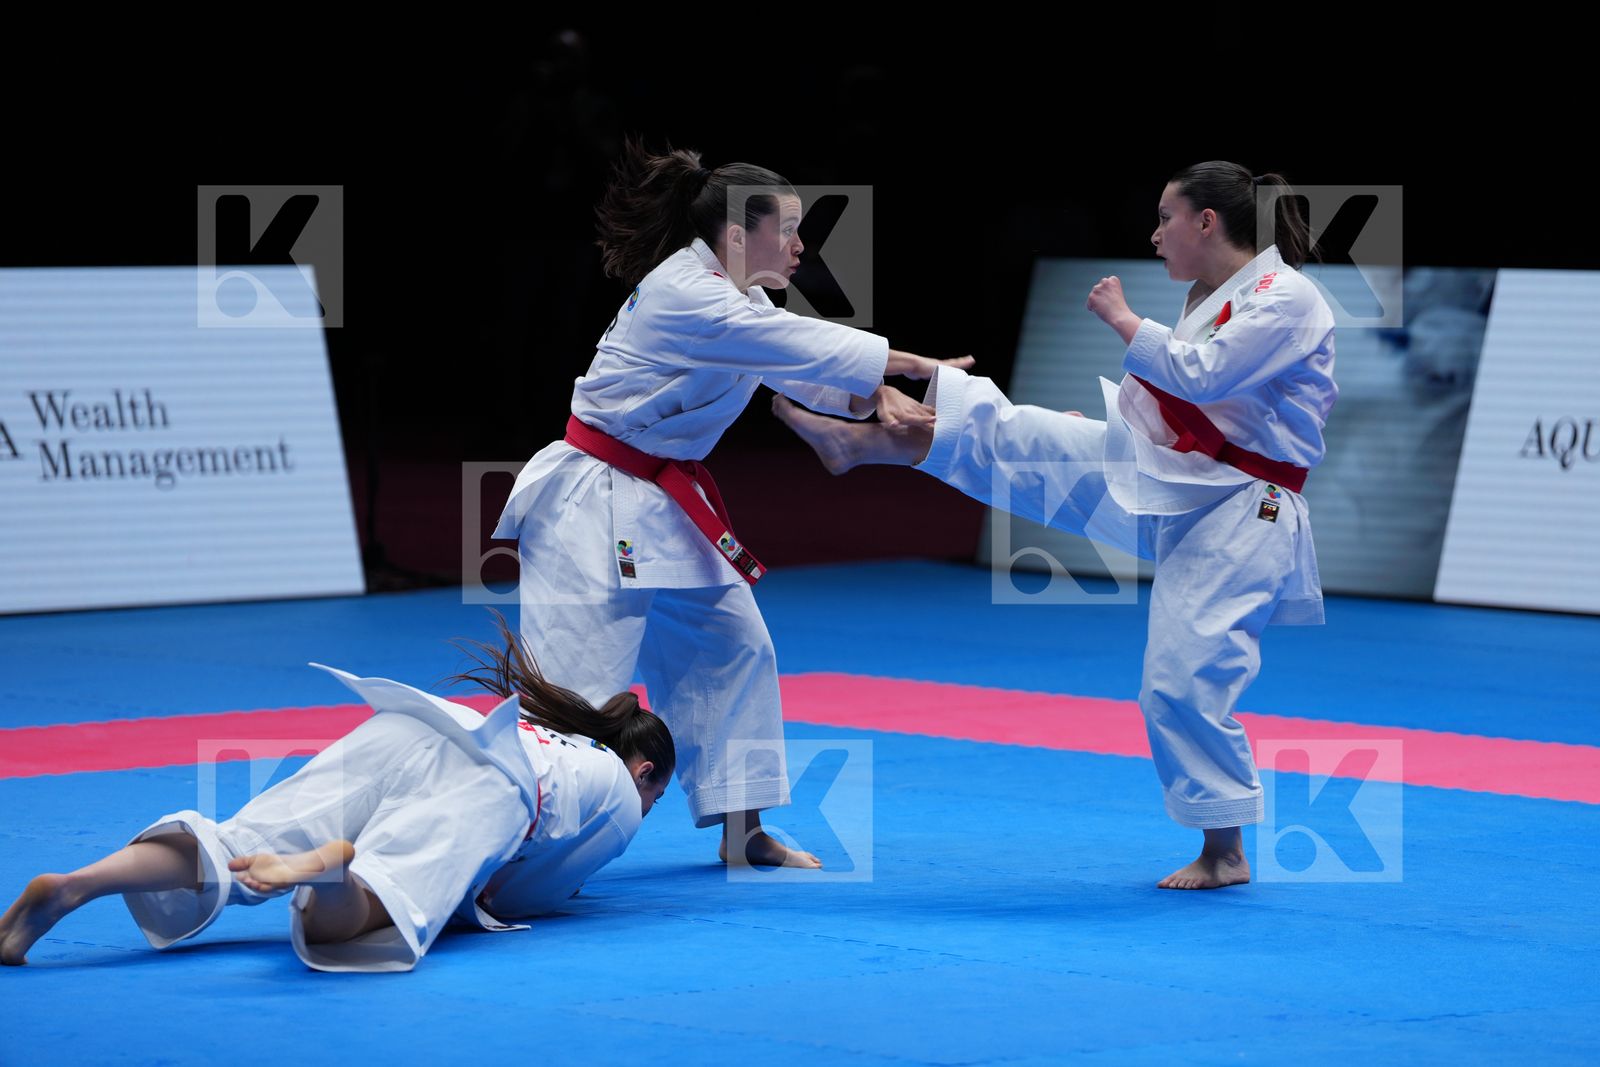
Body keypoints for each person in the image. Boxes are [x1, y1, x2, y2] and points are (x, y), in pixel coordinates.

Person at [773, 161, 1337, 889]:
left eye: (1167, 217)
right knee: (1031, 435)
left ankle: (1224, 850)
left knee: (1180, 680)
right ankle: (863, 444)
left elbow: (1203, 378)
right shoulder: (1213, 295)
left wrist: (1123, 318)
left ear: (1207, 222)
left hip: (1242, 509)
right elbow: (1185, 405)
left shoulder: (1286, 296)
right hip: (1178, 477)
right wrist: (1106, 428)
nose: (1155, 232)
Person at [495, 137, 969, 867]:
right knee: (574, 691)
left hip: (664, 503)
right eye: (789, 228)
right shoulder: (687, 292)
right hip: (590, 502)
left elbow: (799, 367)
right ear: (739, 234)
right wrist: (908, 364)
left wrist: (881, 396)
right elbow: (786, 341)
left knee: (735, 649)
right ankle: (510, 844)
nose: (802, 243)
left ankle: (742, 834)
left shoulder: (737, 298)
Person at [0, 613, 674, 970]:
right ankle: (330, 873)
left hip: (419, 724)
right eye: (657, 797)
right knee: (382, 907)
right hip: (496, 781)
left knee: (237, 843)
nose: (646, 811)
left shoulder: (551, 732)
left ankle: (76, 885)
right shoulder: (617, 793)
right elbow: (526, 896)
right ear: (643, 770)